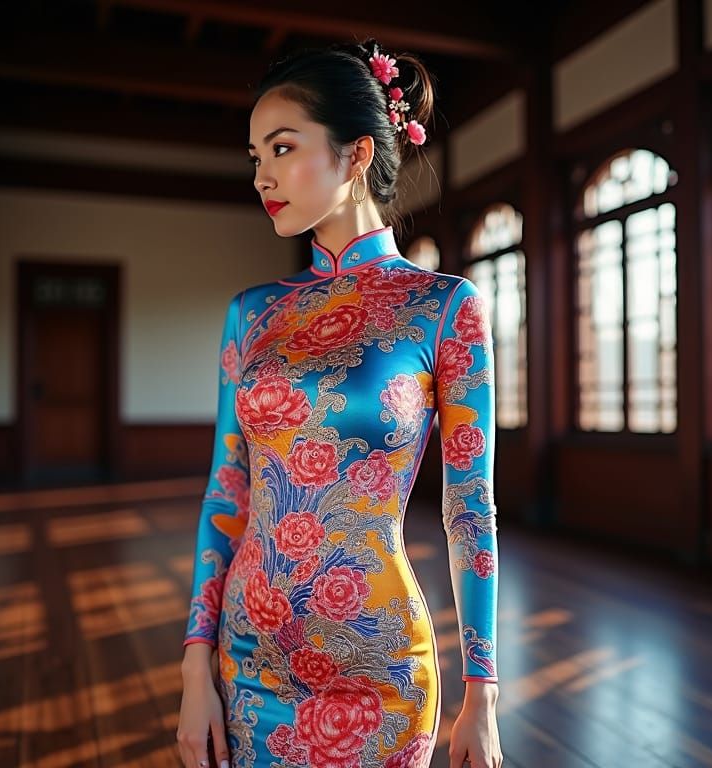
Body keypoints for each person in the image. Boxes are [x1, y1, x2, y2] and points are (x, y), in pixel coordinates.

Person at [177, 38, 503, 768]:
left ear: (356, 155)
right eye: (255, 155)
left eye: (282, 148)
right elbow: (226, 492)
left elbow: (469, 508)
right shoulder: (251, 315)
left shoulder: (445, 308)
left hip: (382, 664)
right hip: (249, 660)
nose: (262, 176)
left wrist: (483, 692)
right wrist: (194, 663)